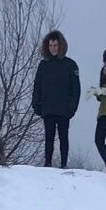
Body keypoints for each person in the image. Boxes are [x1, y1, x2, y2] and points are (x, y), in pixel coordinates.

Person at [32, 30, 80, 168]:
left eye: (55, 45)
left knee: (64, 137)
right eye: (51, 45)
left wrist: (72, 107)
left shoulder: (70, 65)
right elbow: (37, 85)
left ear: (61, 46)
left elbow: (76, 89)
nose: (53, 48)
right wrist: (36, 104)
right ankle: (47, 163)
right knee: (49, 137)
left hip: (64, 108)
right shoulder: (43, 65)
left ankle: (64, 164)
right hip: (47, 107)